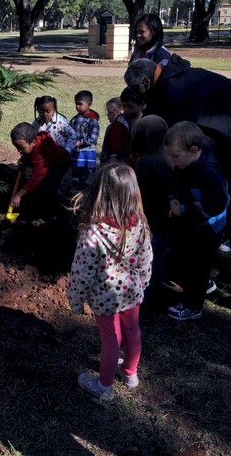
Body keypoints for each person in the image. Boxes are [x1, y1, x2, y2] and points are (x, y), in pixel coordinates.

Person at [67, 163, 153, 402]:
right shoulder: (139, 222)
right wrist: (143, 282)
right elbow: (146, 256)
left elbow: (82, 272)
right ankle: (130, 373)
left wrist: (75, 301)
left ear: (100, 192)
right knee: (133, 330)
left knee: (111, 339)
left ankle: (104, 386)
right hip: (132, 290)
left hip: (105, 298)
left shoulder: (93, 233)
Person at [124, 55, 231, 244]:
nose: (136, 94)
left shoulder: (176, 89)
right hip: (211, 117)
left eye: (135, 89)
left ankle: (213, 226)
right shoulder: (164, 79)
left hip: (223, 121)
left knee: (202, 165)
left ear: (147, 81)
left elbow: (184, 131)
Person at [162, 121, 229, 321]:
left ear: (193, 150)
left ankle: (192, 306)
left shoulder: (210, 172)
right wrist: (172, 198)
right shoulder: (185, 163)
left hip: (207, 228)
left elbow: (218, 203)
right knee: (188, 258)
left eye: (175, 156)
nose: (173, 162)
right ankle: (191, 283)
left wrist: (183, 209)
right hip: (191, 223)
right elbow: (176, 181)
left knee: (198, 265)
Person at [131, 115, 173, 304]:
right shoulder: (169, 155)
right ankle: (157, 290)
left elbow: (140, 194)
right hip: (166, 216)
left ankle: (146, 298)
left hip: (149, 218)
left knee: (148, 258)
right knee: (159, 254)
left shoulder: (147, 162)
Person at [10, 122, 71, 222]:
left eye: (21, 148)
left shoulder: (40, 151)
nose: (19, 151)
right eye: (17, 147)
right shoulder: (32, 145)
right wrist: (26, 161)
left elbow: (36, 176)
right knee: (40, 186)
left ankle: (51, 214)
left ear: (33, 142)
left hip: (59, 164)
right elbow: (32, 158)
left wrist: (19, 194)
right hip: (48, 162)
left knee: (48, 186)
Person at [100, 87, 144, 167]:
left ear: (141, 104)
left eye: (130, 107)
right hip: (120, 164)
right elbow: (109, 145)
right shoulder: (118, 123)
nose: (126, 110)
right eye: (124, 106)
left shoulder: (147, 122)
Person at [69, 90, 100, 191]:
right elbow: (69, 132)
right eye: (76, 104)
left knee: (88, 172)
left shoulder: (92, 120)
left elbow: (93, 138)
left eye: (80, 104)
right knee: (76, 170)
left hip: (88, 152)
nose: (77, 106)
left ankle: (87, 190)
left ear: (89, 104)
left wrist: (81, 142)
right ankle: (75, 189)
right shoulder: (74, 119)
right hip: (76, 151)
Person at [99, 96, 123, 165]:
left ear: (121, 111)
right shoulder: (109, 128)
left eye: (110, 112)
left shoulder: (126, 128)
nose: (107, 115)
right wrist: (102, 162)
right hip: (110, 163)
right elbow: (105, 148)